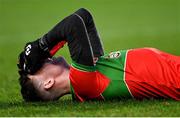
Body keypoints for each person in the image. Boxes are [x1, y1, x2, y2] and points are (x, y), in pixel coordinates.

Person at [17, 8, 180, 102]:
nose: (44, 59)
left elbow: (84, 16)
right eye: (39, 66)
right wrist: (42, 45)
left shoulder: (90, 70)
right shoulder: (82, 84)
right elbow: (73, 25)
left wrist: (45, 48)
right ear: (48, 83)